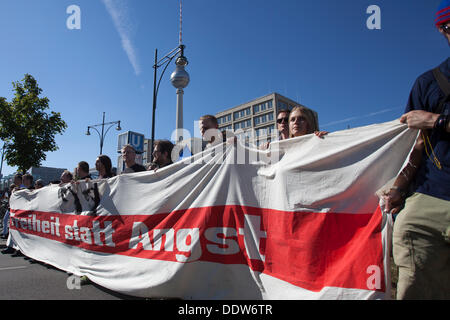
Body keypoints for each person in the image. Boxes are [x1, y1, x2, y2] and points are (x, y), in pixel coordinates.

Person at [384, 0, 450, 299]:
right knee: (414, 285)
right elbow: (416, 144)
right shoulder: (428, 83)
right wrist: (399, 185)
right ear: (442, 30)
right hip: (430, 195)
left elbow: (430, 125)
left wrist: (437, 121)